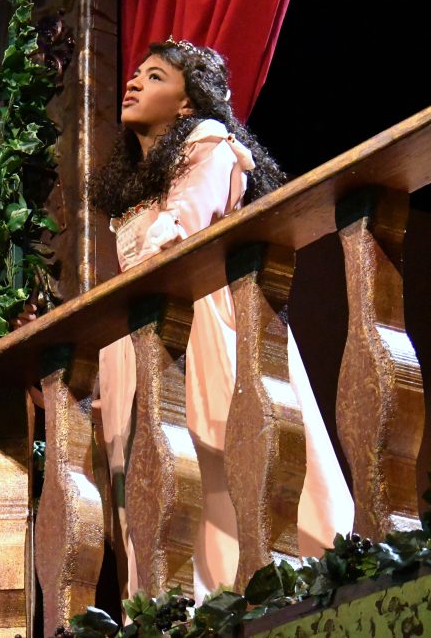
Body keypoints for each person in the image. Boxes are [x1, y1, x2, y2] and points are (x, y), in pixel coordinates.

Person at [86, 40, 354, 600]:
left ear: (188, 102)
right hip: (137, 330)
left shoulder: (210, 142)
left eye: (154, 77)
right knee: (150, 476)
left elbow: (182, 227)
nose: (133, 83)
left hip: (197, 318)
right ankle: (173, 608)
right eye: (135, 74)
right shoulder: (134, 184)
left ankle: (236, 596)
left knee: (213, 462)